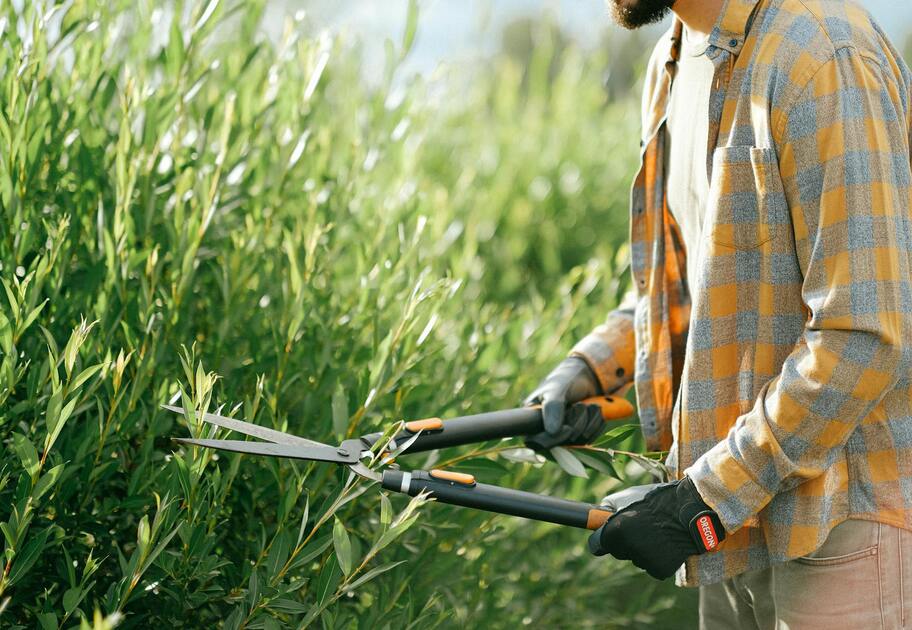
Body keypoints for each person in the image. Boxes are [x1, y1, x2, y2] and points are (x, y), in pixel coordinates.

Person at [524, 0, 912, 626]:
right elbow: (697, 285)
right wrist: (593, 368)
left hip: (841, 530)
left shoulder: (823, 55)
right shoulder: (672, 61)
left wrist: (703, 499)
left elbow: (864, 332)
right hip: (733, 530)